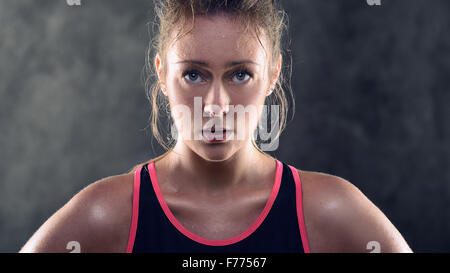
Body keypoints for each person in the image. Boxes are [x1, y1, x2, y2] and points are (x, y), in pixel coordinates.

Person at [20, 0, 412, 253]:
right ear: (161, 73)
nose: (216, 106)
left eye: (241, 74)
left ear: (273, 73)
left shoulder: (330, 211)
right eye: (193, 75)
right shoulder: (106, 215)